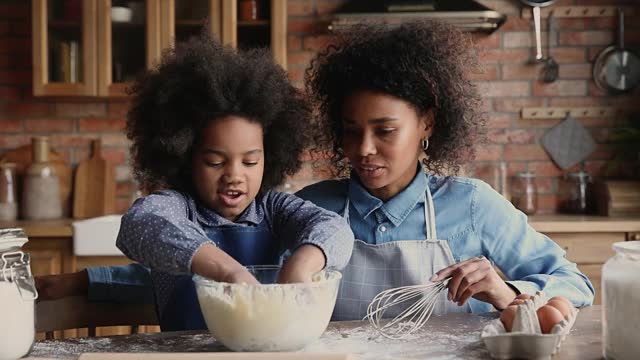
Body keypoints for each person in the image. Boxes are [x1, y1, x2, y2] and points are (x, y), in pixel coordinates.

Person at [37, 21, 594, 321]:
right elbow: (215, 270)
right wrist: (89, 280)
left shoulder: (473, 205)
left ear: (426, 122)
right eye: (350, 130)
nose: (364, 149)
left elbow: (576, 283)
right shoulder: (314, 208)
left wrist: (508, 288)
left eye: (385, 130)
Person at [40, 34, 354, 331]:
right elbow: (139, 224)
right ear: (185, 156)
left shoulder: (275, 209)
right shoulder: (176, 209)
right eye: (215, 161)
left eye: (250, 162)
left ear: (270, 157)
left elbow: (335, 229)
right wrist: (228, 272)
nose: (234, 175)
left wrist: (302, 264)